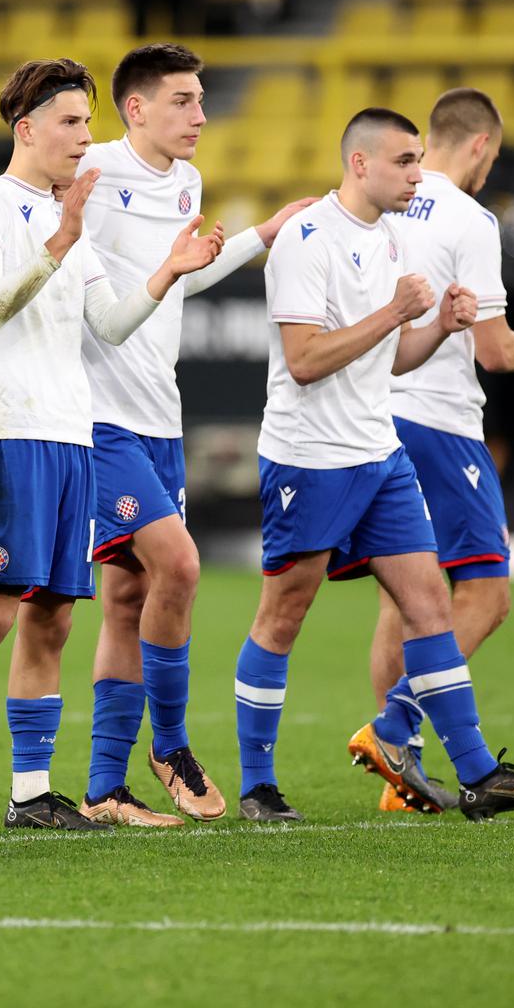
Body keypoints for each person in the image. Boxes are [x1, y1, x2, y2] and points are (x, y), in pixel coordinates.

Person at [239, 107, 514, 822]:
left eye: (420, 160)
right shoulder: (305, 239)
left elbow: (390, 359)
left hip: (381, 453)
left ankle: (480, 774)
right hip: (311, 457)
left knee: (427, 606)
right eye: (403, 162)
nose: (417, 175)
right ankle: (258, 784)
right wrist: (394, 315)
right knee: (284, 614)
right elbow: (303, 362)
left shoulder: (392, 239)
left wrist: (438, 328)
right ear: (359, 164)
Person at [0, 58, 224, 835]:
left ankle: (32, 795)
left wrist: (169, 271)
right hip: (6, 431)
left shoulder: (72, 212)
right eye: (69, 123)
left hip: (72, 436)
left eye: (86, 124)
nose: (83, 138)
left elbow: (111, 323)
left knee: (55, 618)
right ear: (26, 129)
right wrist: (58, 242)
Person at [75, 42, 314, 826]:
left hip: (157, 414)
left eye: (204, 99)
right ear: (136, 108)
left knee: (127, 597)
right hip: (96, 414)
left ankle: (105, 789)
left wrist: (260, 236)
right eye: (183, 100)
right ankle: (171, 744)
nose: (202, 115)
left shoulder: (186, 182)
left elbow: (182, 270)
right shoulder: (93, 173)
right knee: (179, 562)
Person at [365, 88, 514, 812]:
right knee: (484, 595)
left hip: (372, 417)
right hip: (441, 423)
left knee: (406, 598)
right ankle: (394, 727)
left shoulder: (387, 199)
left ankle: (405, 776)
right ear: (482, 145)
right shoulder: (470, 216)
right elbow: (494, 352)